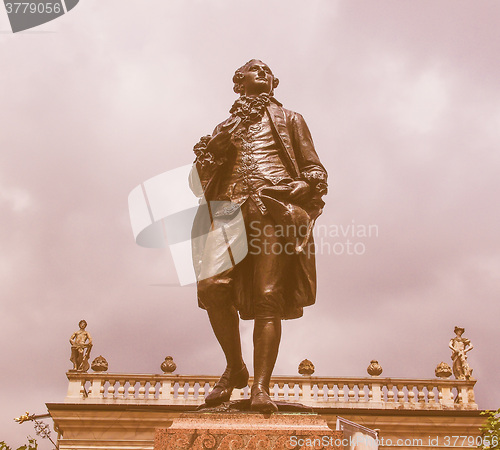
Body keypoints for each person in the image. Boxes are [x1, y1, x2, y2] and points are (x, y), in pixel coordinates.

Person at [190, 59, 328, 412]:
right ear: (240, 83)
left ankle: (260, 387)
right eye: (256, 70)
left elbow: (314, 167)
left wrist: (303, 185)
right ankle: (235, 367)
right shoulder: (224, 128)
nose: (264, 74)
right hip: (228, 208)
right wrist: (213, 150)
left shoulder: (291, 119)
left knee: (269, 296)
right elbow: (196, 183)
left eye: (268, 71)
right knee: (211, 287)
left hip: (272, 207)